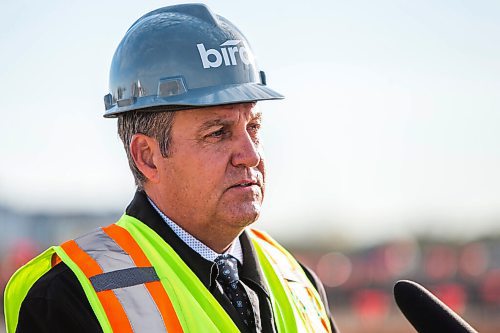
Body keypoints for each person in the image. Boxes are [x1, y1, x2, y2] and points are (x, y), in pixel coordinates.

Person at [4, 4, 339, 333]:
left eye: (253, 127)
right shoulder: (70, 298)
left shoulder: (298, 282)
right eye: (218, 133)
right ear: (147, 157)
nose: (250, 155)